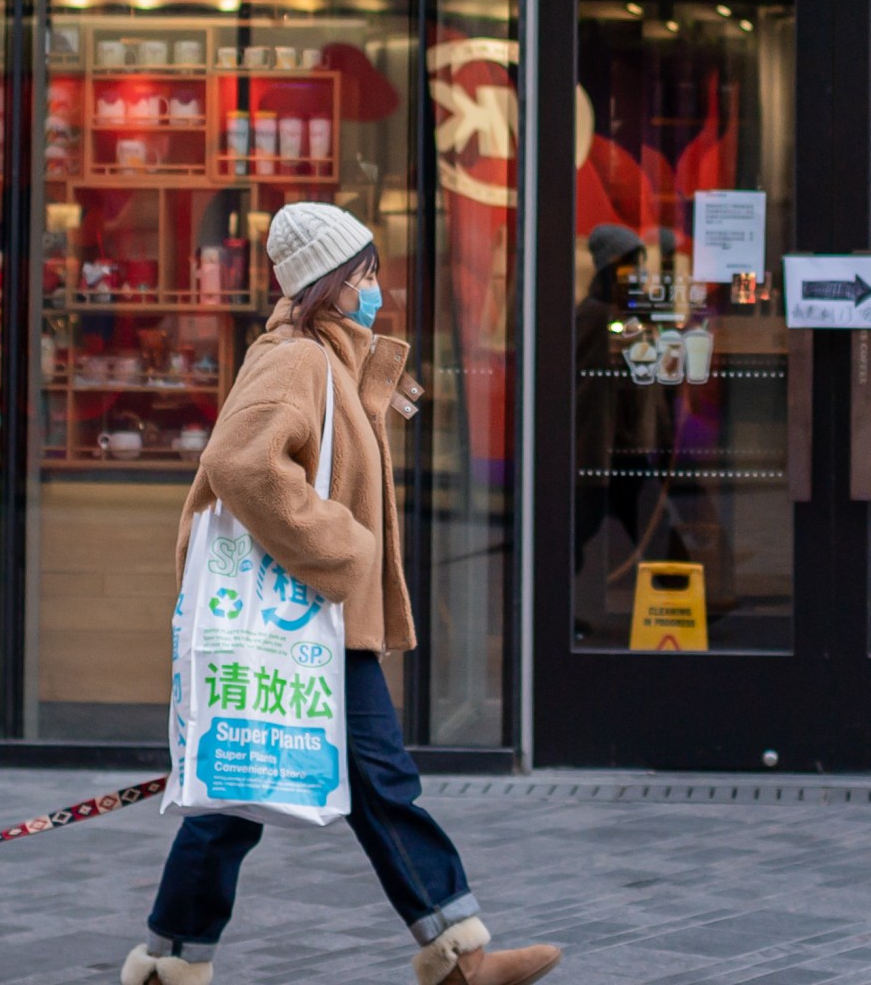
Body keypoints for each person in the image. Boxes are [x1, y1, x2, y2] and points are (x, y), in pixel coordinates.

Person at [124, 202, 561, 985]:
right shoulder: (295, 359)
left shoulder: (326, 355)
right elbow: (242, 463)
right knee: (364, 784)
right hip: (303, 616)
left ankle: (170, 964)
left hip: (309, 619)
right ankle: (459, 956)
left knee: (243, 797)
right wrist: (339, 546)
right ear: (329, 283)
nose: (376, 287)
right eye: (364, 274)